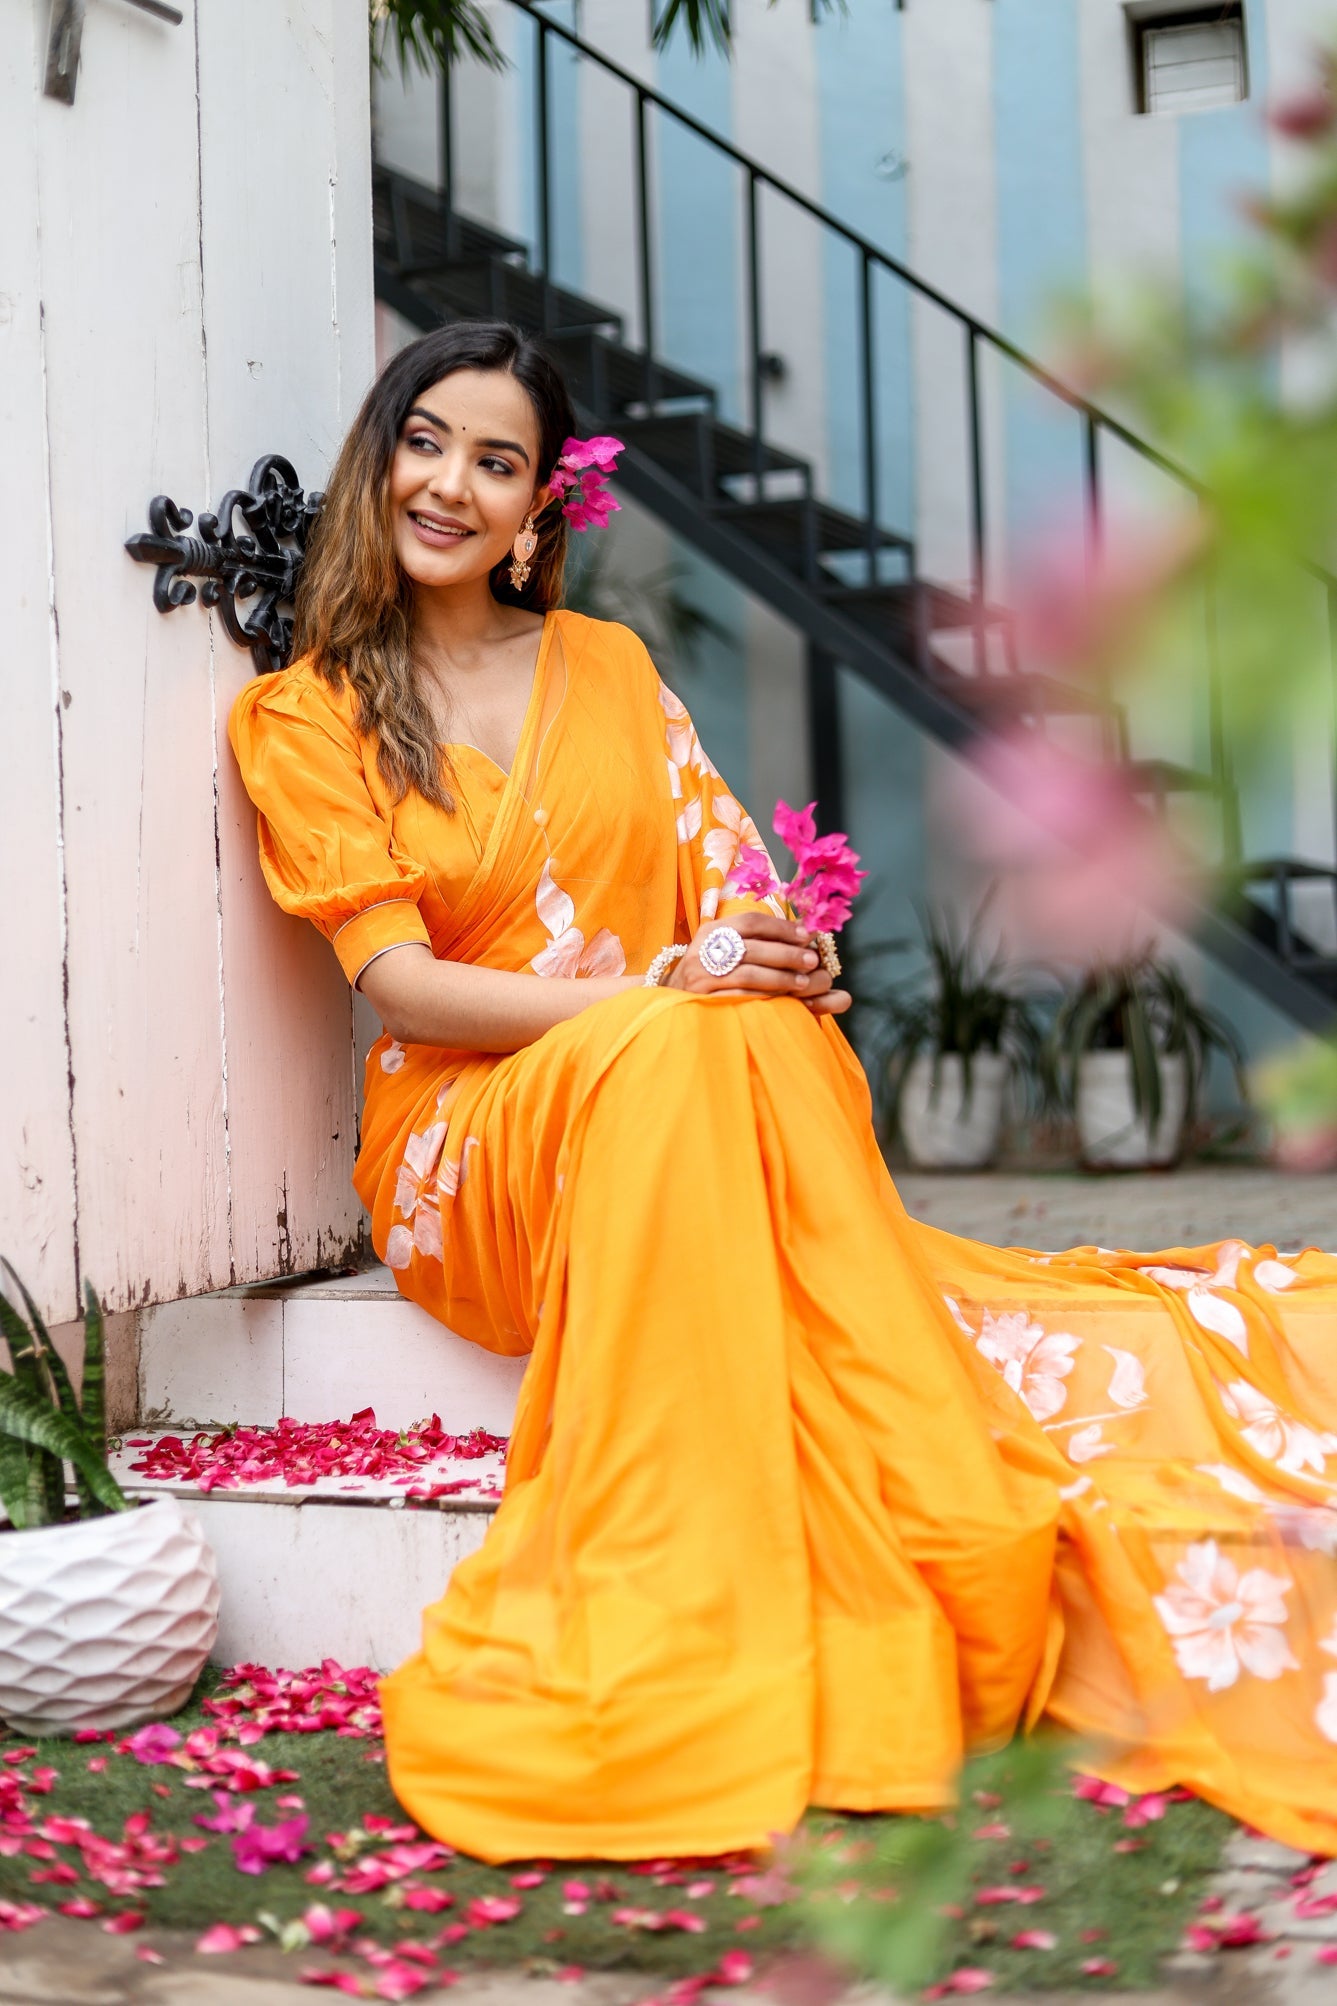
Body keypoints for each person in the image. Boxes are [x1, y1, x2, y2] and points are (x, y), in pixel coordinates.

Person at [230, 321, 1337, 1865]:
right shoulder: (307, 712)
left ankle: (878, 1513)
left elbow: (732, 892)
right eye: (427, 442)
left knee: (733, 1026)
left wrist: (776, 951)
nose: (451, 485)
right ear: (379, 455)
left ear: (542, 507)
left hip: (674, 1073)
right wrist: (654, 993)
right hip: (471, 1146)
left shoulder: (605, 666)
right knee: (685, 1032)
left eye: (496, 462)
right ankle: (704, 1601)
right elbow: (399, 987)